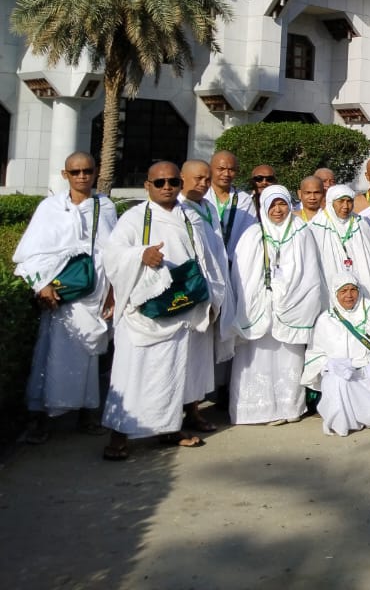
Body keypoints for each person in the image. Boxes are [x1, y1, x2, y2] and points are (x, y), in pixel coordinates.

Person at [101, 161, 222, 459]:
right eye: (159, 182)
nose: (167, 187)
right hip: (145, 312)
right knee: (133, 374)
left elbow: (208, 259)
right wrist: (141, 255)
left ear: (180, 184)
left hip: (181, 306)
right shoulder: (134, 218)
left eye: (172, 182)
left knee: (172, 373)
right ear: (147, 185)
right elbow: (112, 255)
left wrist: (211, 298)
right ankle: (119, 435)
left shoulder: (191, 216)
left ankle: (169, 428)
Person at [16, 152, 118, 443]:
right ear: (65, 175)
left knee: (91, 355)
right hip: (61, 294)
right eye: (75, 172)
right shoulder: (50, 208)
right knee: (50, 354)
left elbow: (115, 253)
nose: (82, 176)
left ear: (95, 172)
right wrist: (42, 284)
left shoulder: (105, 206)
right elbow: (31, 252)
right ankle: (42, 418)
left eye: (87, 171)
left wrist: (112, 294)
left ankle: (86, 414)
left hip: (94, 293)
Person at [229, 185, 326, 425]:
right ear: (263, 207)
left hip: (293, 306)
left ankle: (288, 407)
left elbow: (310, 273)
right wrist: (261, 292)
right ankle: (254, 410)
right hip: (259, 309)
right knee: (255, 360)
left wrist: (286, 293)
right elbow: (241, 275)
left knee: (288, 359)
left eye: (282, 203)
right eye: (272, 205)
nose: (278, 210)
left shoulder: (301, 231)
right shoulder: (253, 234)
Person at [302, 274, 370, 436]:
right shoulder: (325, 320)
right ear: (335, 294)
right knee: (338, 383)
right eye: (343, 291)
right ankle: (346, 422)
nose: (349, 295)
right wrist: (330, 365)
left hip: (367, 373)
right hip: (339, 376)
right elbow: (315, 354)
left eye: (353, 290)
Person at [178, 159, 237, 431]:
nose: (203, 184)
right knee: (181, 357)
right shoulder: (176, 208)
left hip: (210, 292)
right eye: (197, 179)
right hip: (187, 294)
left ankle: (193, 410)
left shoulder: (208, 207)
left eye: (205, 179)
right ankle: (173, 416)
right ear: (182, 179)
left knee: (199, 358)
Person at [308, 185, 370, 311]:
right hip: (331, 277)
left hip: (360, 277)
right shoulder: (317, 226)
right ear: (330, 202)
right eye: (341, 201)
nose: (345, 206)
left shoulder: (360, 223)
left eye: (349, 201)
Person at [209, 150, 255, 261]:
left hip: (235, 261)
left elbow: (250, 234)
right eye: (221, 169)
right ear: (210, 169)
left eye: (231, 170)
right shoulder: (201, 198)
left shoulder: (244, 199)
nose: (226, 174)